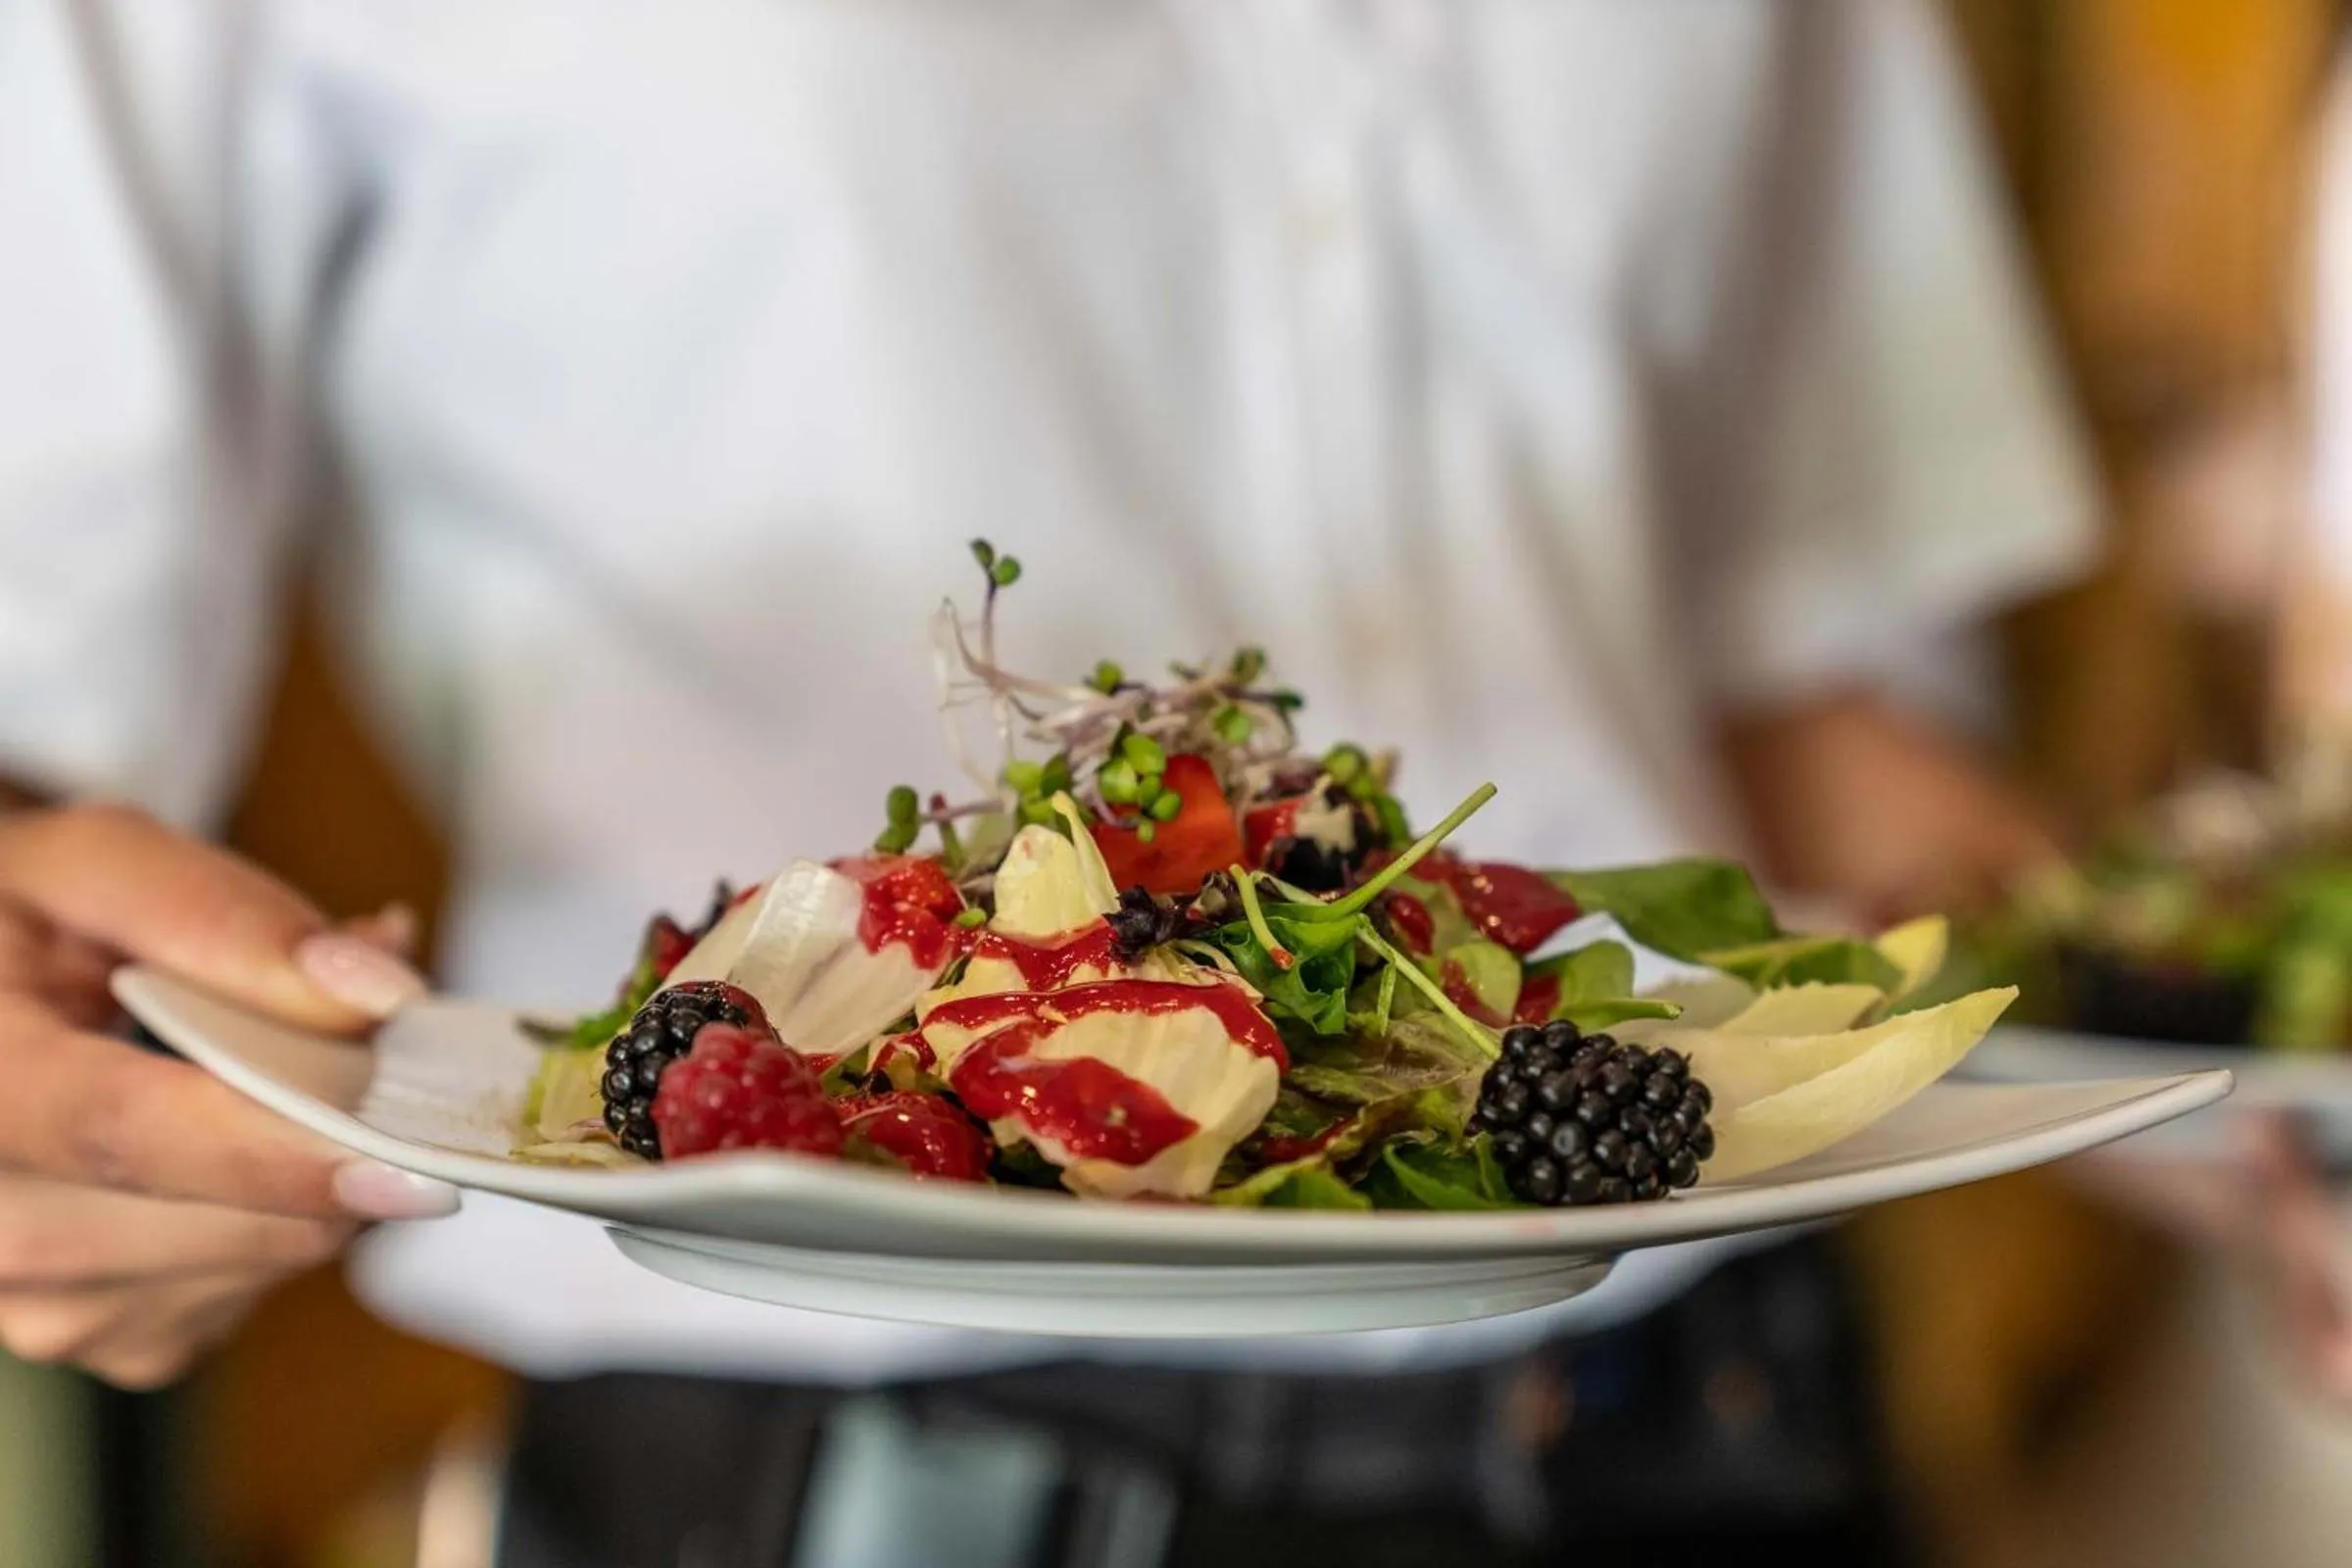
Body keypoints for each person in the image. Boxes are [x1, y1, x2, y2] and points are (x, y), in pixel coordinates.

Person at [1, 1, 2094, 1561]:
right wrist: (77, 1028)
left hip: (1714, 1420)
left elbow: (1794, 679)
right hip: (851, 1477)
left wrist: (2247, 1102)